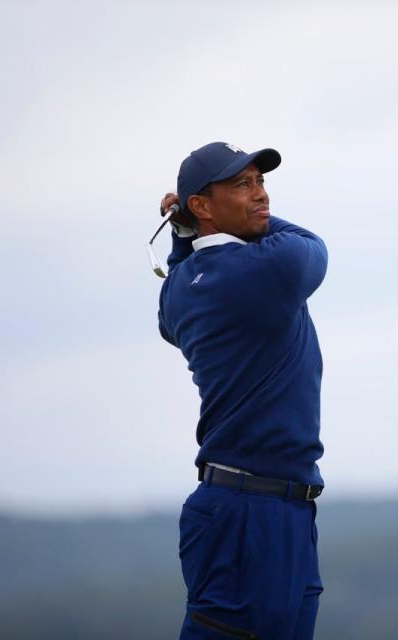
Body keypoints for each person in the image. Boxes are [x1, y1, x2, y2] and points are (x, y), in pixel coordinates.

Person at [155, 141, 327, 640]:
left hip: (272, 506)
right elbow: (312, 246)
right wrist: (190, 228)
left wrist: (185, 234)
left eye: (260, 182)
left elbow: (174, 308)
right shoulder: (273, 266)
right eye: (241, 185)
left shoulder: (179, 290)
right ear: (202, 206)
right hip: (250, 515)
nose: (261, 196)